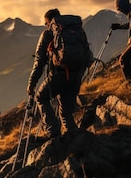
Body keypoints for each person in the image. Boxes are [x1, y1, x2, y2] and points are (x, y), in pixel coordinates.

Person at [26, 8, 86, 139]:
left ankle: (53, 132)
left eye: (46, 23)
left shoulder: (48, 34)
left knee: (41, 97)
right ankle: (74, 138)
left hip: (58, 74)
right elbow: (86, 53)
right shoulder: (77, 30)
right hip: (75, 75)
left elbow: (39, 61)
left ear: (49, 22)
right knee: (66, 112)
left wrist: (31, 84)